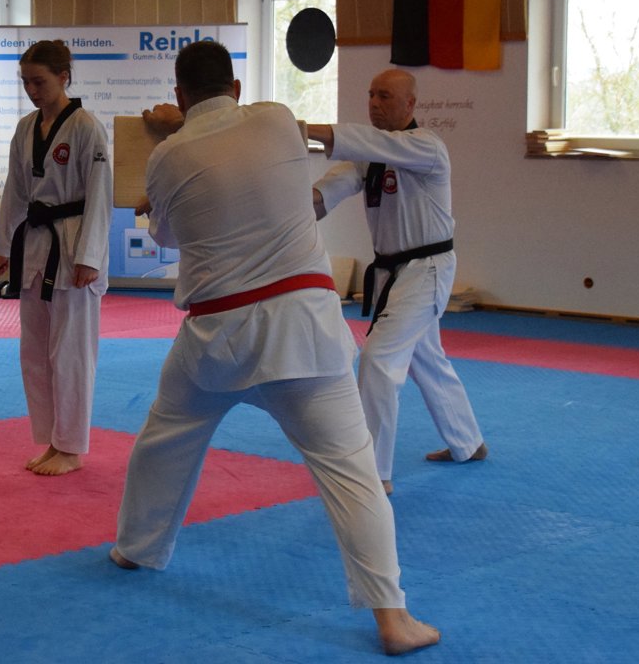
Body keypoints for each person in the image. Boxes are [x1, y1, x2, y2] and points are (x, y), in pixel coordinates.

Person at [110, 41, 439, 657]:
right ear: (236, 88)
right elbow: (233, 143)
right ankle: (393, 618)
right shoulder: (278, 120)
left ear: (179, 94)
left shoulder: (166, 157)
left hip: (213, 339)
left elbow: (170, 235)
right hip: (303, 333)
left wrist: (162, 185)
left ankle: (136, 547)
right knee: (353, 470)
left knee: (164, 438)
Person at [306, 68, 486, 496]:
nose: (374, 103)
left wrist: (303, 129)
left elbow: (377, 144)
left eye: (385, 96)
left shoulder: (427, 146)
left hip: (427, 269)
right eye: (371, 94)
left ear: (410, 104)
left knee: (378, 360)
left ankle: (374, 471)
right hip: (394, 274)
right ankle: (468, 442)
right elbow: (326, 193)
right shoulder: (368, 158)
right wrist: (280, 207)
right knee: (427, 359)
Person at [0, 40, 112, 476]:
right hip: (36, 246)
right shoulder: (25, 128)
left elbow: (100, 196)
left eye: (39, 81)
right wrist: (1, 245)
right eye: (25, 82)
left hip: (73, 245)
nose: (31, 90)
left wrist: (90, 256)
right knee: (35, 352)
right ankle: (52, 440)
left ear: (64, 77)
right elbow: (15, 191)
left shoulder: (86, 128)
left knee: (72, 352)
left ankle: (72, 447)